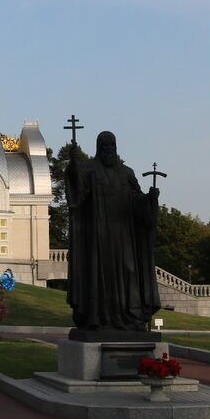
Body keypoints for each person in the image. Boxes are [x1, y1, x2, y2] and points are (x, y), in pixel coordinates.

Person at [66, 131, 160, 332]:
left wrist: (149, 199)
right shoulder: (90, 170)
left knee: (130, 272)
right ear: (99, 148)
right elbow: (77, 194)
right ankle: (99, 318)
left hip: (124, 235)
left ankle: (131, 316)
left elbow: (136, 202)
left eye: (112, 146)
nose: (109, 150)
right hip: (99, 236)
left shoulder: (127, 173)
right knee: (100, 276)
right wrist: (73, 167)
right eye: (105, 146)